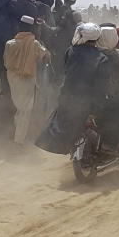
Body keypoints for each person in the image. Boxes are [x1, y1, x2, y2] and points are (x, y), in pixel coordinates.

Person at [35, 23, 110, 154]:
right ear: (97, 39)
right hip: (89, 102)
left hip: (67, 97)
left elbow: (66, 71)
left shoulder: (71, 51)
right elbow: (101, 88)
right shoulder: (102, 58)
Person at [4, 15, 50, 144]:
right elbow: (45, 56)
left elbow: (6, 62)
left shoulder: (9, 43)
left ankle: (18, 132)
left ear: (19, 27)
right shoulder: (34, 43)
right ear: (31, 28)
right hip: (27, 79)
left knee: (20, 107)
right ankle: (18, 142)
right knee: (25, 110)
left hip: (12, 78)